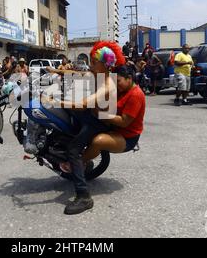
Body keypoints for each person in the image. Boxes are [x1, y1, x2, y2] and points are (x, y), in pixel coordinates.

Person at [46, 41, 126, 216]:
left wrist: (54, 102)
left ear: (105, 65)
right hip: (90, 115)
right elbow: (77, 72)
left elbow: (82, 105)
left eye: (94, 62)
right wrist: (56, 71)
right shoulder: (97, 74)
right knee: (64, 111)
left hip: (98, 122)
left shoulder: (107, 85)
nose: (90, 65)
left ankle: (84, 196)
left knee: (73, 149)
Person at [82, 65, 145, 165]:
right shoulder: (122, 90)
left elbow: (124, 122)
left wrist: (101, 114)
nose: (116, 84)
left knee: (98, 142)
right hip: (113, 128)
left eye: (118, 81)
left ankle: (78, 164)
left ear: (129, 78)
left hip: (126, 137)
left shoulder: (135, 95)